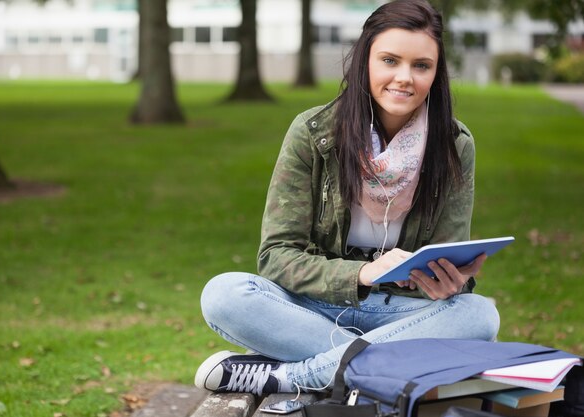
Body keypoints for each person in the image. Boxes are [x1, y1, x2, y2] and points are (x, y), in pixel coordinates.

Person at [195, 0, 500, 396]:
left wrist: (449, 283)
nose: (404, 78)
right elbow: (276, 257)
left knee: (478, 317)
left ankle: (296, 376)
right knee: (225, 294)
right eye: (390, 60)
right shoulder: (313, 133)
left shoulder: (453, 145)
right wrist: (359, 275)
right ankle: (382, 368)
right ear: (365, 62)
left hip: (404, 315)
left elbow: (445, 259)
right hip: (316, 307)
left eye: (421, 65)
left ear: (436, 72)